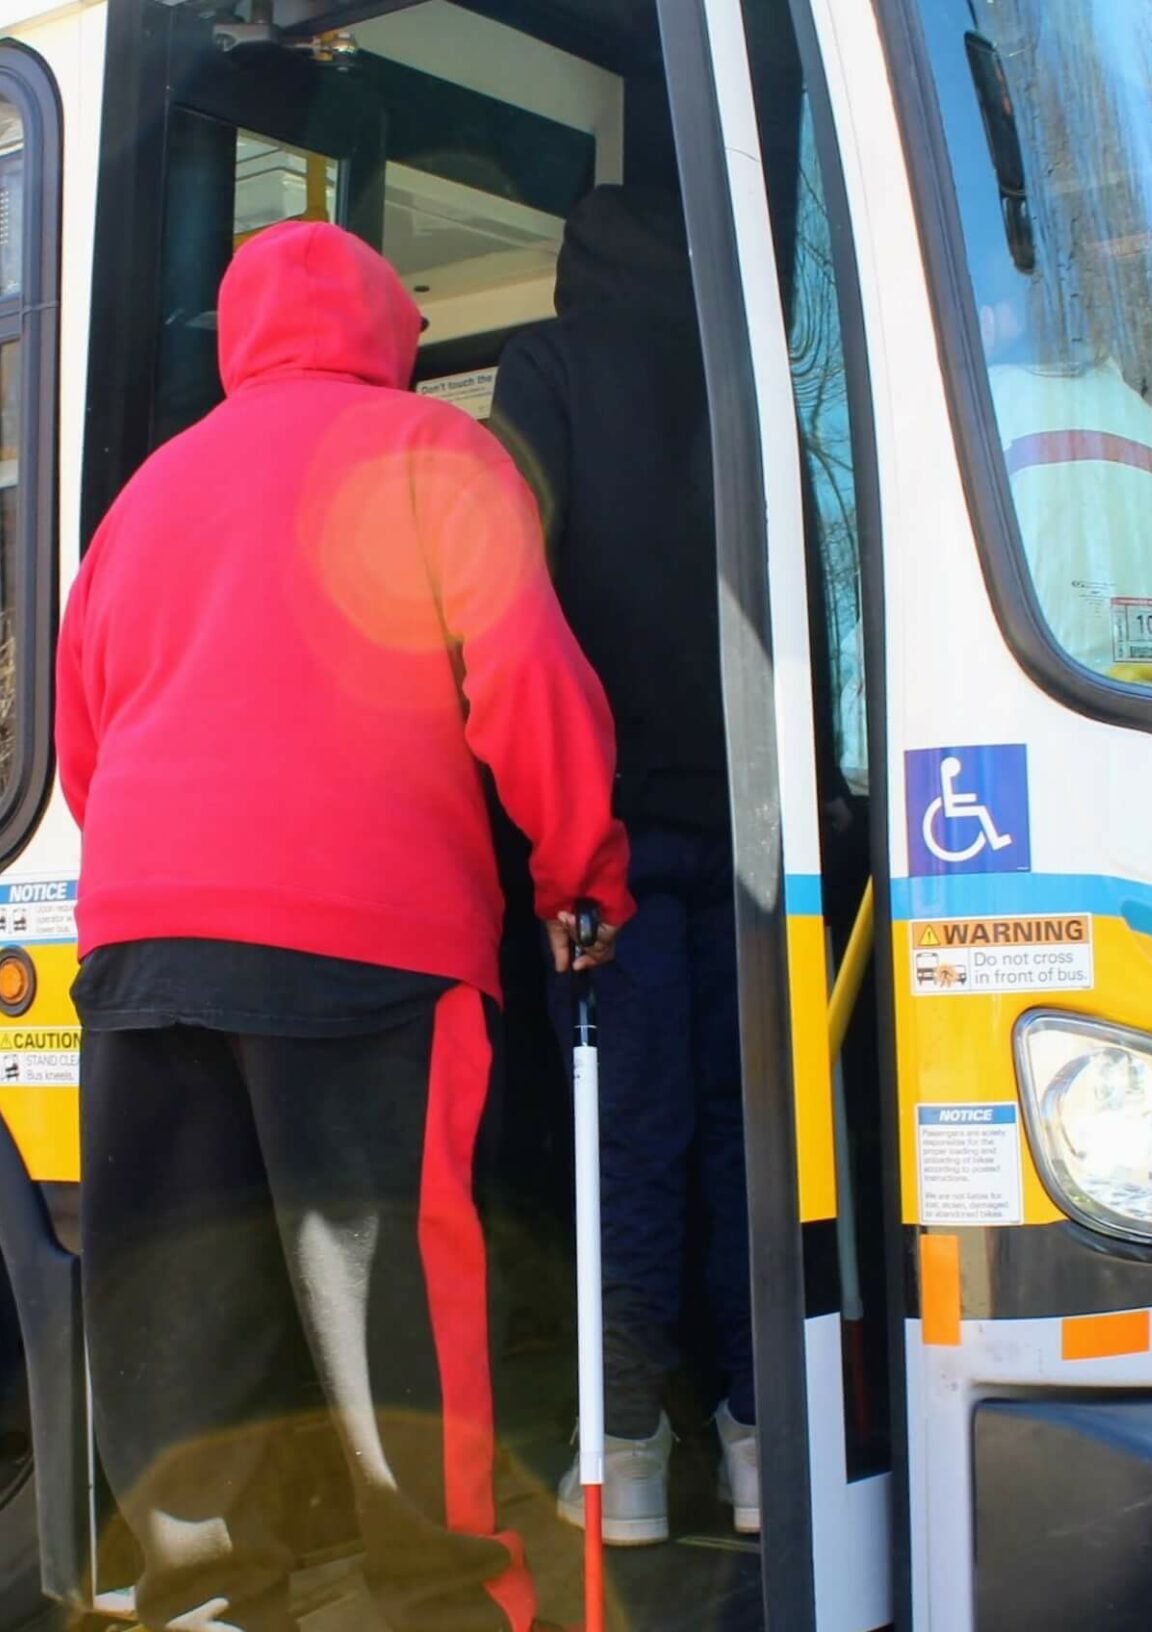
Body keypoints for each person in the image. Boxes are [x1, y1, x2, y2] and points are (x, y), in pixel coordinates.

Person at [56, 220, 633, 1632]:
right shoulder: (431, 449)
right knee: (398, 1302)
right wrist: (582, 875)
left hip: (141, 942)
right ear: (388, 326)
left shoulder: (146, 496)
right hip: (366, 941)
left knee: (184, 1299)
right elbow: (523, 681)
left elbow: (85, 741)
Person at [490, 184, 758, 1545]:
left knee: (625, 1144)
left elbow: (505, 586)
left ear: (570, 271)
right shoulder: (746, 375)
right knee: (743, 1137)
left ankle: (628, 1457)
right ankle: (765, 1442)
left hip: (611, 833)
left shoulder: (550, 369)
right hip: (757, 825)